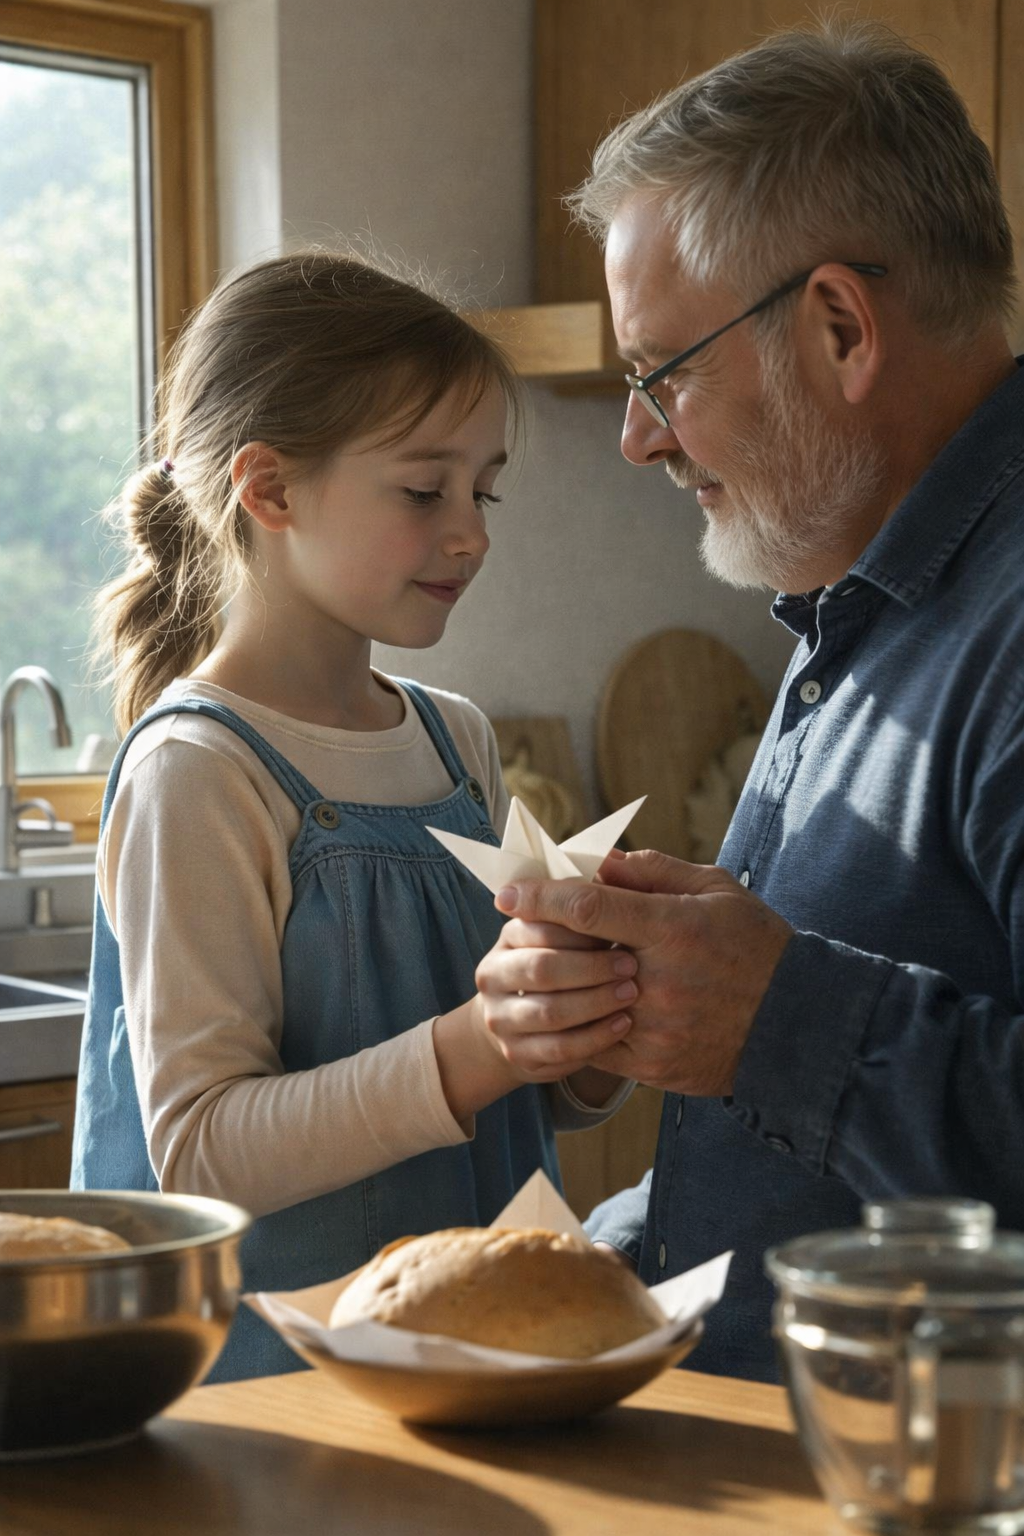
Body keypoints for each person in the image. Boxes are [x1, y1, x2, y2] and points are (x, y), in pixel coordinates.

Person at [473, 20, 1024, 1383]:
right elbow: (821, 1169)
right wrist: (624, 1250)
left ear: (839, 325)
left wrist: (778, 1020)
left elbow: (809, 1042)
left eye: (662, 371)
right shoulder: (860, 604)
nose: (638, 435)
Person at [71, 252, 633, 1381]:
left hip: (473, 1358)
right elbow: (199, 1154)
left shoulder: (454, 738)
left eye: (486, 489)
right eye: (426, 490)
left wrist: (583, 1032)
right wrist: (479, 1047)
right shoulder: (199, 772)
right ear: (269, 490)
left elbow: (517, 1091)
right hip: (279, 1390)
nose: (471, 532)